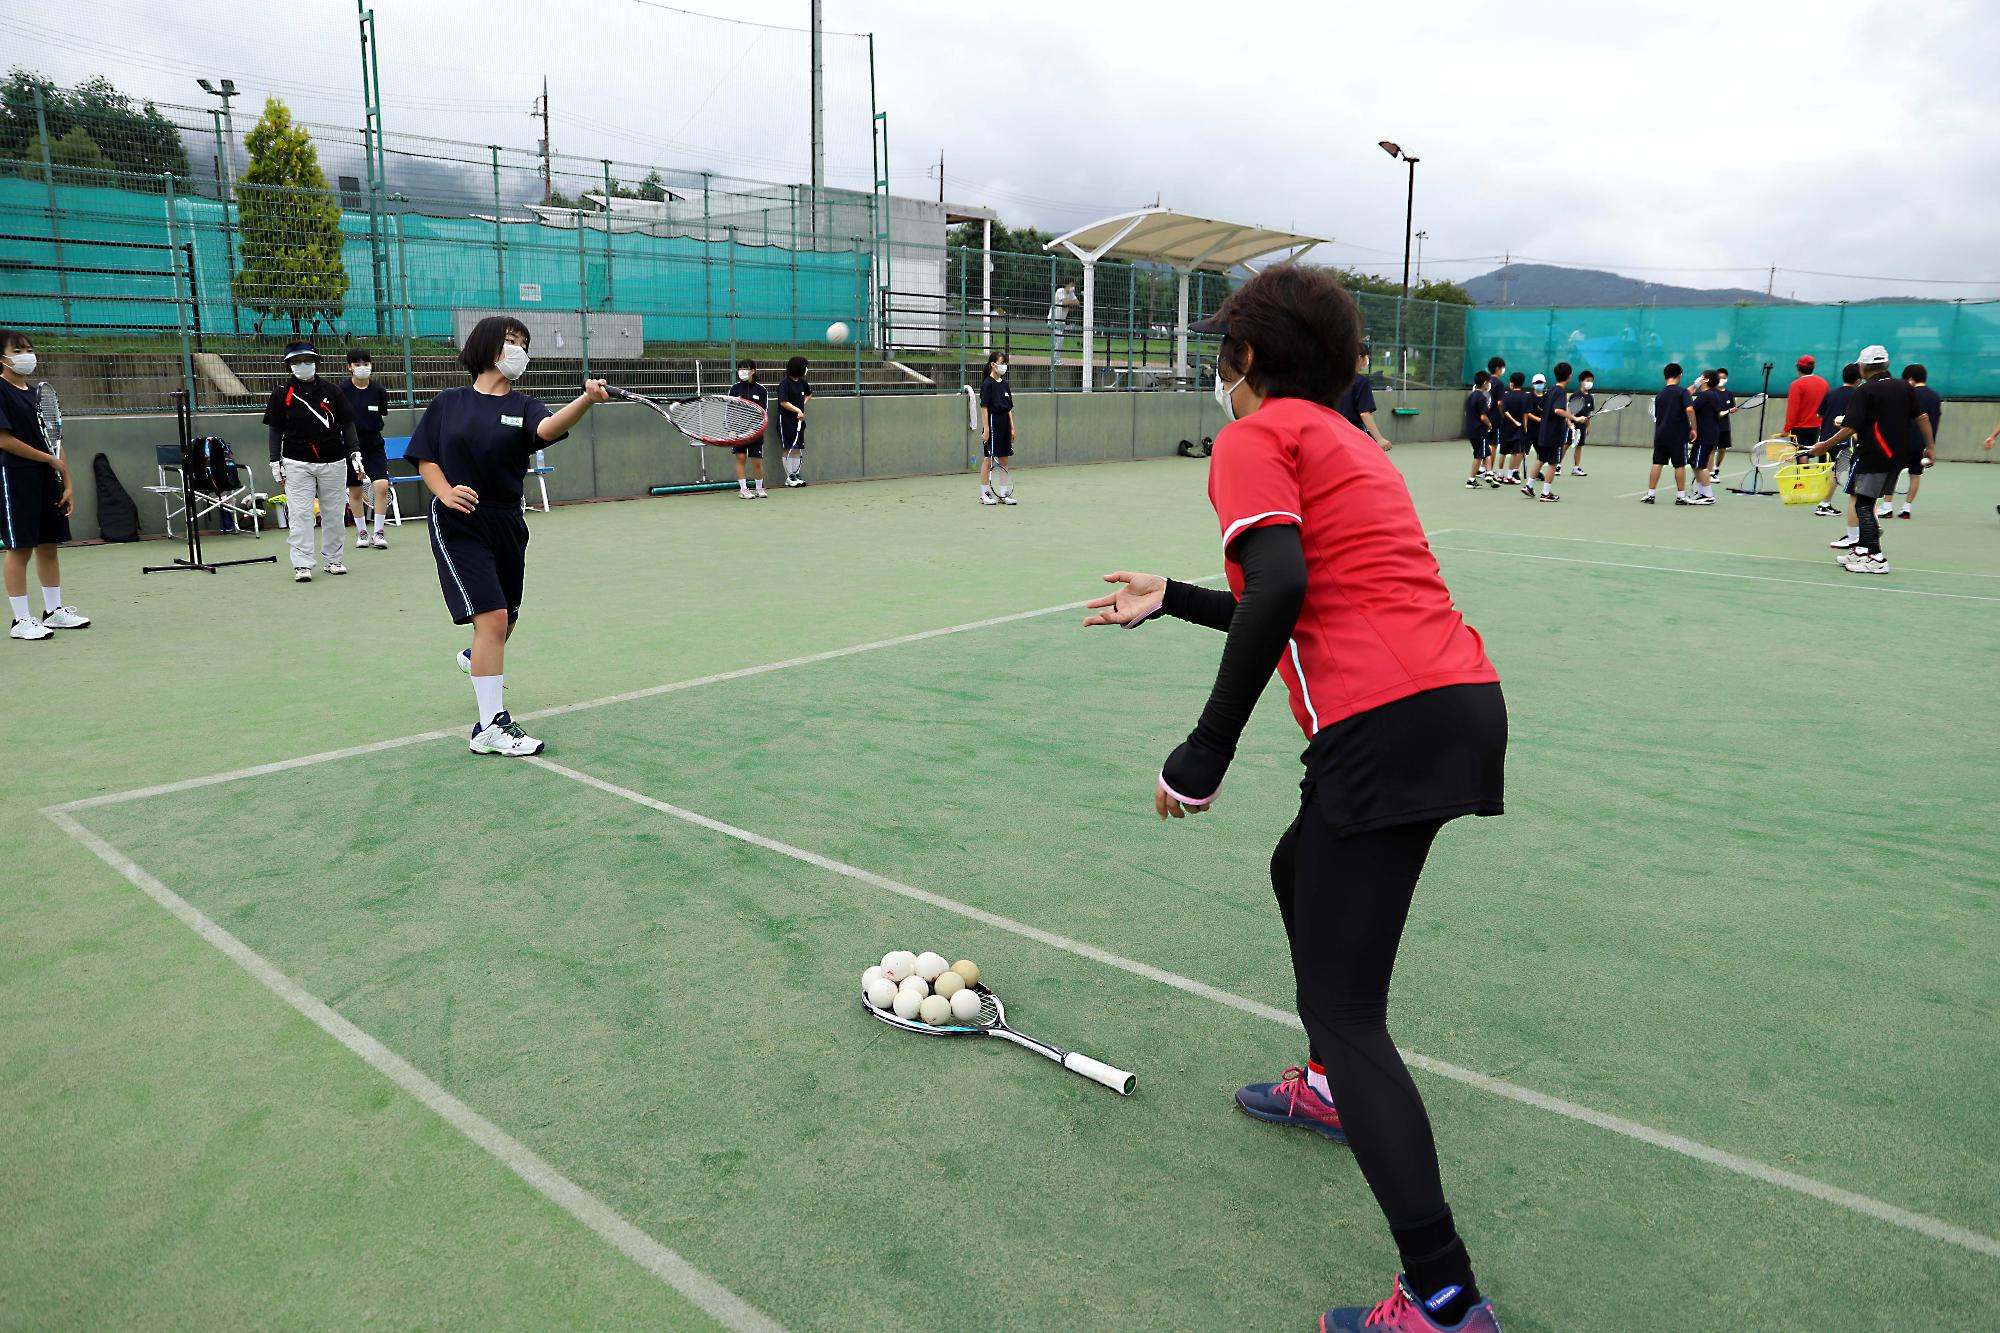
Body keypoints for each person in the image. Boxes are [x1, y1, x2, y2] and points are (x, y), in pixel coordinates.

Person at [1080, 262, 1505, 1333]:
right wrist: (1171, 598)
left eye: (1224, 352)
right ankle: (1324, 1083)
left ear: (1249, 364)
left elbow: (1280, 587)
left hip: (1380, 724)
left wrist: (1202, 750)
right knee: (1295, 864)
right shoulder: (1351, 443)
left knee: (1349, 1011)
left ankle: (1442, 1298)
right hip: (1452, 702)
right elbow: (1303, 592)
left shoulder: (1254, 435)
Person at [410, 315, 607, 756]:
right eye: (509, 340)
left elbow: (547, 430)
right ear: (484, 346)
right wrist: (444, 493)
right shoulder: (449, 402)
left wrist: (586, 400)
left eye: (522, 342)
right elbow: (425, 457)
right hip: (459, 519)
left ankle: (474, 655)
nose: (517, 348)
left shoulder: (524, 405)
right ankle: (489, 727)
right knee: (494, 618)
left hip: (507, 521)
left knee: (505, 619)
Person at [1808, 345, 1932, 575]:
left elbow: (1850, 427)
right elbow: (1922, 418)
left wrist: (1823, 446)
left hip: (1874, 456)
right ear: (1886, 365)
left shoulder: (1865, 391)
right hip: (1896, 457)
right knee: (1862, 501)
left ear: (1864, 367)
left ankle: (1877, 557)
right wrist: (1931, 448)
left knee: (1864, 505)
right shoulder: (1905, 387)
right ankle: (1861, 550)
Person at [0, 329, 88, 640]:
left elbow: (56, 439)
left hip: (46, 480)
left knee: (49, 546)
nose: (26, 355)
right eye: (18, 349)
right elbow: (4, 440)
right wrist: (48, 460)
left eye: (28, 348)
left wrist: (68, 483)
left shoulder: (37, 393)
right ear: (2, 356)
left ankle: (53, 612)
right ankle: (20, 620)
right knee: (20, 548)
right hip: (15, 477)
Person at [264, 340, 360, 582]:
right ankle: (302, 564)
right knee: (300, 514)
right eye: (296, 361)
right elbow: (275, 430)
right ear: (288, 366)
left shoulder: (333, 391)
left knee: (334, 513)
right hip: (296, 462)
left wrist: (355, 452)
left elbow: (347, 423)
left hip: (334, 461)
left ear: (317, 363)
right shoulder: (281, 394)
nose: (303, 365)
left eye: (307, 360)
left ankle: (334, 559)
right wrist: (274, 460)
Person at [336, 347, 391, 549]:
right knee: (356, 491)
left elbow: (382, 414)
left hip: (374, 444)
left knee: (381, 486)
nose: (362, 368)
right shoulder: (341, 390)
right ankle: (362, 533)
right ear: (349, 367)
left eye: (366, 364)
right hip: (350, 446)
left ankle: (378, 532)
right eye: (357, 364)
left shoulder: (379, 391)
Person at [1816, 363, 1864, 534]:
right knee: (1838, 472)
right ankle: (1824, 503)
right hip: (1844, 440)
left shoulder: (1831, 393)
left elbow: (1820, 413)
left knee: (1828, 471)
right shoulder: (1859, 396)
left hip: (1825, 440)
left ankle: (1822, 500)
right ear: (1858, 379)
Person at [1641, 362, 1696, 505]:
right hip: (1678, 436)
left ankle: (1650, 494)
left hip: (1660, 435)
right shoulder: (1682, 392)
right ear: (1680, 375)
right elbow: (1689, 410)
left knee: (1657, 462)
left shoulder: (1660, 395)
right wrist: (1694, 428)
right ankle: (1680, 496)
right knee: (1679, 465)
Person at [1522, 362, 1575, 502]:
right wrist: (1573, 417)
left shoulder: (1551, 390)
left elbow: (1541, 406)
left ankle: (1528, 486)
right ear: (1569, 376)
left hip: (1544, 432)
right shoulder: (1561, 392)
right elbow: (1558, 410)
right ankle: (1546, 493)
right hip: (1554, 435)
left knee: (1540, 459)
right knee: (1552, 463)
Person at [1894, 364, 1941, 519]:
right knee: (1915, 475)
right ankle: (1906, 508)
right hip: (1922, 444)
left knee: (1892, 473)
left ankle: (1886, 507)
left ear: (1910, 379)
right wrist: (1930, 445)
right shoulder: (1935, 397)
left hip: (1902, 441)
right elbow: (1934, 421)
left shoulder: (1907, 394)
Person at [978, 350, 1017, 506]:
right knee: (988, 460)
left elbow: (1009, 408)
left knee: (1004, 459)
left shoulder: (1005, 384)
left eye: (1005, 363)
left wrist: (1012, 428)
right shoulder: (987, 384)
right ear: (993, 365)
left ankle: (1003, 494)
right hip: (993, 424)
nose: (1004, 366)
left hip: (1005, 425)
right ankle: (985, 494)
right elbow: (984, 408)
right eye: (1002, 363)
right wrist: (986, 430)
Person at [1335, 346, 1392, 451]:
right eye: (1367, 356)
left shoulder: (1332, 379)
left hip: (1333, 432)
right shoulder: (1361, 382)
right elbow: (1364, 413)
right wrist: (1379, 439)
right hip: (1354, 435)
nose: (1367, 360)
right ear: (1360, 358)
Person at [730, 357, 768, 499]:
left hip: (755, 433)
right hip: (738, 431)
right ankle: (744, 489)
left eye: (745, 369)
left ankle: (759, 488)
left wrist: (756, 429)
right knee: (740, 457)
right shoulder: (734, 389)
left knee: (757, 461)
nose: (742, 371)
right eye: (740, 369)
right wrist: (731, 429)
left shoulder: (761, 390)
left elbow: (764, 413)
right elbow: (729, 410)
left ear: (753, 371)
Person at [1784, 354, 1828, 465]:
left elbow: (1793, 409)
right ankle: (1822, 478)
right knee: (1821, 451)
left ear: (1798, 367)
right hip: (1819, 426)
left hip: (1800, 428)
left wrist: (1786, 429)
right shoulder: (1824, 383)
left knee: (1802, 453)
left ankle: (1804, 479)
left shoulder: (1796, 385)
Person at [1687, 369, 1724, 504]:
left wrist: (1693, 388)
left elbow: (1689, 408)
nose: (1698, 378)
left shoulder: (1706, 396)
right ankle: (1701, 492)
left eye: (1701, 376)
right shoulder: (1710, 395)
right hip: (1707, 434)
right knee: (1694, 462)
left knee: (1700, 464)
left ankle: (1708, 495)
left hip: (1706, 435)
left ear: (1706, 380)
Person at [777, 355, 811, 487]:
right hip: (786, 419)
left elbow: (809, 394)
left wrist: (802, 406)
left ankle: (796, 474)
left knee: (798, 447)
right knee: (789, 447)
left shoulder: (803, 382)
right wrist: (797, 410)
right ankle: (789, 476)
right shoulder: (785, 383)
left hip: (799, 420)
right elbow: (783, 402)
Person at [1462, 370, 1494, 489]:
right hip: (1480, 430)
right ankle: (1487, 474)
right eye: (1488, 382)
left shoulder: (1471, 396)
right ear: (1485, 383)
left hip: (1471, 431)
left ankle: (1485, 474)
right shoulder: (1481, 398)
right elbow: (1483, 416)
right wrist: (1489, 424)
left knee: (1481, 454)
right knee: (1483, 453)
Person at [1496, 371, 1531, 482]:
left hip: (1505, 428)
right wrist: (1525, 428)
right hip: (1519, 430)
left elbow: (1502, 408)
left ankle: (1500, 475)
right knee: (1515, 453)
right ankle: (1510, 476)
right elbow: (1526, 415)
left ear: (1512, 383)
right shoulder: (1526, 397)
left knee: (1503, 452)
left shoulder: (1506, 396)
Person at [1710, 367, 1736, 483]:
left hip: (1725, 427)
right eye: (1720, 378)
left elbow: (1732, 408)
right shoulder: (1711, 392)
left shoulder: (1729, 394)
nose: (1722, 380)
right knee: (1711, 449)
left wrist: (1732, 410)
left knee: (1722, 449)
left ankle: (1716, 469)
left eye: (1724, 378)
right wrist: (1728, 411)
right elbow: (1716, 413)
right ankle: (1710, 473)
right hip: (1712, 426)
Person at [1568, 369, 1596, 476]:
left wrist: (1588, 426)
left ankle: (1576, 468)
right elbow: (1569, 411)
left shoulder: (1590, 397)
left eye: (1591, 380)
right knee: (1565, 445)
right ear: (1581, 381)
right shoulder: (1576, 395)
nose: (1589, 382)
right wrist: (1569, 423)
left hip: (1582, 426)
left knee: (1579, 446)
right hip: (1572, 425)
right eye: (1587, 380)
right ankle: (1557, 466)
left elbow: (1588, 413)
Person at [1049, 281, 1077, 366]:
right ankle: (1055, 360)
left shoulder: (1071, 294)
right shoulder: (1060, 291)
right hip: (1053, 319)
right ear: (1066, 285)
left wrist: (1070, 303)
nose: (1072, 287)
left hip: (1061, 321)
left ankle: (1056, 359)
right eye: (1071, 285)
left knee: (1057, 340)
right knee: (1059, 338)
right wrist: (1070, 303)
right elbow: (1064, 302)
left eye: (1073, 285)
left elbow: (1077, 303)